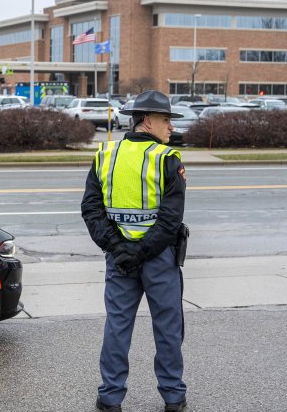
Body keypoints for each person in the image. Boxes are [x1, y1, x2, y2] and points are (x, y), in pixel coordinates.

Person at [81, 90, 188, 412]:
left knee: (117, 326)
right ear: (147, 120)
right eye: (166, 120)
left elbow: (91, 208)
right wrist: (141, 251)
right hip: (159, 259)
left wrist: (118, 248)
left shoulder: (105, 154)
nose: (170, 127)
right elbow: (171, 220)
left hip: (119, 260)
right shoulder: (167, 159)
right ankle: (173, 397)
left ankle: (110, 397)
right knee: (168, 328)